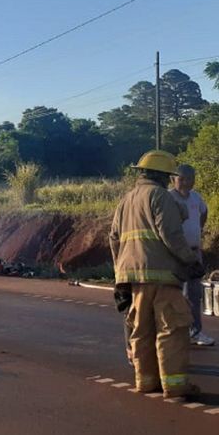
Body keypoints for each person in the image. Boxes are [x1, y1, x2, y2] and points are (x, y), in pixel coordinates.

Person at [109, 150, 204, 399]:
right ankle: (175, 386)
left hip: (134, 278)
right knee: (172, 329)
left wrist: (120, 272)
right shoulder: (160, 196)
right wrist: (190, 260)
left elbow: (114, 239)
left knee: (142, 330)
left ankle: (146, 381)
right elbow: (171, 235)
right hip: (162, 275)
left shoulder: (126, 200)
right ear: (163, 176)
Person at [170, 164, 214, 346]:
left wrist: (198, 229)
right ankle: (173, 332)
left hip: (194, 252)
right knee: (172, 293)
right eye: (182, 178)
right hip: (174, 254)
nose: (187, 182)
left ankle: (195, 331)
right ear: (173, 179)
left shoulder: (196, 197)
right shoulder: (169, 198)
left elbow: (204, 213)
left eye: (190, 178)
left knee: (194, 294)